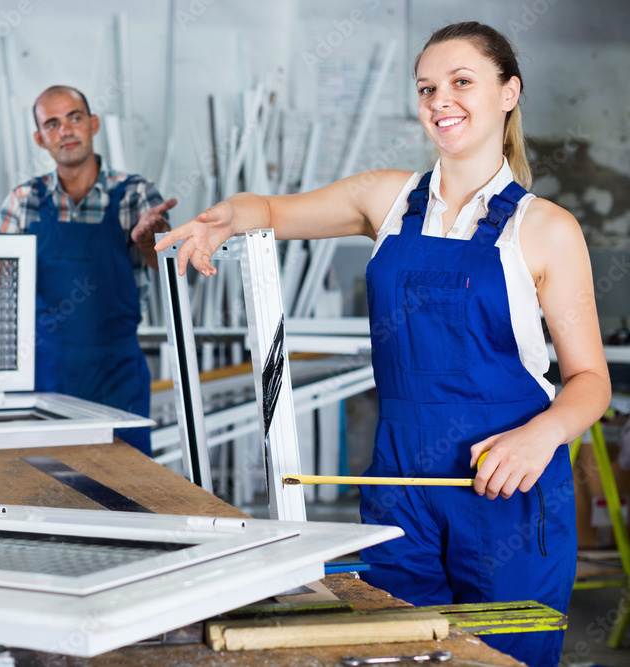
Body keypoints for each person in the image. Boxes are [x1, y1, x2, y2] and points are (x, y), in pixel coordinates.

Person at [156, 22, 610, 666]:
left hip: (506, 487)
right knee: (393, 651)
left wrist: (543, 435)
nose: (440, 101)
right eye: (427, 88)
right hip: (400, 478)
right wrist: (225, 217)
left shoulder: (547, 229)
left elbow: (591, 380)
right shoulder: (386, 200)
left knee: (505, 658)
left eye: (461, 82)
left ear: (509, 93)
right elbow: (271, 211)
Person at [0, 85, 177, 456]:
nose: (66, 130)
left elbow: (169, 268)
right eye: (53, 123)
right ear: (40, 138)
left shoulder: (134, 195)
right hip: (45, 373)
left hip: (117, 373)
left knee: (126, 489)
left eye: (74, 118)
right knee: (45, 486)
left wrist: (149, 241)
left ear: (92, 123)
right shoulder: (25, 200)